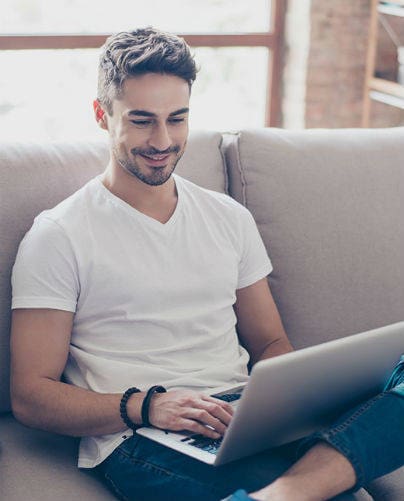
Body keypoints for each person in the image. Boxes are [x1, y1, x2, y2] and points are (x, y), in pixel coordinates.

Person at [10, 27, 403, 501]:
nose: (162, 139)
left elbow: (270, 341)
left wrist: (285, 407)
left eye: (177, 119)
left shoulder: (227, 217)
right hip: (141, 436)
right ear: (101, 115)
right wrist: (148, 406)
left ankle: (287, 492)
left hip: (242, 416)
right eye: (141, 120)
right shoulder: (60, 234)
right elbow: (31, 395)